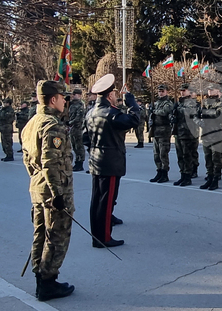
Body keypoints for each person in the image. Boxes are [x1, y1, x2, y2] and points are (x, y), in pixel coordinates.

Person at [21, 80, 75, 301]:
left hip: (37, 187)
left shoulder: (32, 122)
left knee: (40, 235)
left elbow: (27, 159)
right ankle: (48, 283)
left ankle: (40, 277)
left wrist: (39, 181)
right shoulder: (52, 125)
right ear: (53, 99)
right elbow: (50, 162)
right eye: (63, 97)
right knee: (56, 236)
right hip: (54, 191)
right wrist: (57, 194)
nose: (65, 101)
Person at [85, 74, 140, 248]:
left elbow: (84, 138)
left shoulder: (91, 112)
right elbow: (134, 120)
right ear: (109, 96)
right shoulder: (112, 114)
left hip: (96, 161)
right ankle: (103, 238)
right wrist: (132, 104)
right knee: (106, 202)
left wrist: (95, 150)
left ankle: (97, 234)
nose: (116, 96)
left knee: (97, 200)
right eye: (115, 94)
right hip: (110, 162)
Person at [198, 85, 222, 190]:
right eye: (208, 90)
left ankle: (216, 179)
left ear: (217, 91)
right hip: (206, 134)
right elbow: (198, 115)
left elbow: (218, 114)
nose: (210, 92)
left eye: (212, 90)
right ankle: (210, 177)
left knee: (216, 158)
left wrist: (205, 112)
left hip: (217, 135)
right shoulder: (205, 103)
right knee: (208, 158)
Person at [173, 84, 200, 186]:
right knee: (180, 155)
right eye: (181, 90)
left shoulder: (192, 102)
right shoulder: (180, 102)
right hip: (179, 132)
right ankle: (183, 175)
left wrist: (177, 109)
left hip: (188, 133)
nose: (182, 92)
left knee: (187, 155)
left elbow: (189, 112)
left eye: (184, 90)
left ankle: (188, 176)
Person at [147, 84, 175, 183]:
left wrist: (153, 111)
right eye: (159, 91)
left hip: (164, 131)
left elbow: (164, 112)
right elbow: (150, 115)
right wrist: (150, 111)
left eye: (162, 91)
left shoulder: (168, 103)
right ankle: (159, 171)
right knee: (156, 154)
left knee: (163, 154)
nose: (161, 93)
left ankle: (164, 173)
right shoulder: (156, 103)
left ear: (166, 92)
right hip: (155, 131)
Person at [67, 88, 87, 171]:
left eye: (74, 95)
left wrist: (70, 122)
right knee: (74, 146)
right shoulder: (71, 104)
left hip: (78, 128)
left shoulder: (80, 105)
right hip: (72, 128)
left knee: (79, 146)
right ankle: (76, 162)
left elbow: (79, 118)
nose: (73, 96)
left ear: (79, 95)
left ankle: (80, 163)